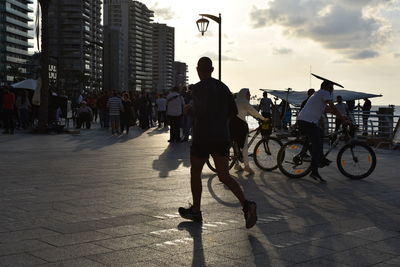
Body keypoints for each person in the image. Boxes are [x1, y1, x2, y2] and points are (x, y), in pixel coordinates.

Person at [178, 57, 258, 229]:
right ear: (213, 69)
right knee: (224, 175)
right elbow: (233, 111)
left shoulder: (198, 88)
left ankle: (196, 211)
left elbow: (200, 109)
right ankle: (246, 204)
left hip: (203, 137)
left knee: (196, 173)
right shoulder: (224, 88)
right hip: (221, 136)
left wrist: (189, 109)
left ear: (198, 69)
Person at [297, 76, 351, 182]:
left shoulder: (318, 94)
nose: (333, 90)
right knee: (317, 145)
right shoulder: (324, 93)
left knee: (320, 133)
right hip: (307, 122)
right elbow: (333, 106)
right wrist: (342, 118)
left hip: (305, 120)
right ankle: (314, 172)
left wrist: (341, 116)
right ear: (326, 87)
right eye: (331, 87)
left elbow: (327, 109)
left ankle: (320, 158)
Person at [231, 88, 268, 174]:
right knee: (244, 146)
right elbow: (253, 111)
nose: (250, 96)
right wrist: (263, 119)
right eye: (249, 94)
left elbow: (249, 112)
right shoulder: (244, 101)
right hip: (240, 126)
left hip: (232, 124)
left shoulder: (236, 100)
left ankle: (236, 164)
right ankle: (247, 166)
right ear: (244, 94)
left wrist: (256, 117)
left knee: (236, 144)